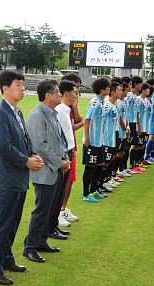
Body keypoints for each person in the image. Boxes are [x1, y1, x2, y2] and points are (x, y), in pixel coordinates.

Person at [0, 69, 42, 285]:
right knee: (1, 224)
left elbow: (24, 138)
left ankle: (6, 259)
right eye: (18, 84)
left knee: (12, 222)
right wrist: (25, 160)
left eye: (22, 84)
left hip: (18, 177)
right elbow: (3, 146)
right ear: (5, 88)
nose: (22, 88)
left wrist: (31, 154)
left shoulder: (16, 111)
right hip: (7, 179)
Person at [23, 79, 71, 263]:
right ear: (48, 95)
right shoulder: (37, 115)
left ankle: (41, 241)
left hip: (57, 168)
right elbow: (40, 146)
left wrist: (64, 159)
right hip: (46, 170)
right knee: (42, 210)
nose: (60, 94)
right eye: (57, 91)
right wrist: (59, 163)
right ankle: (30, 247)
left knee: (50, 209)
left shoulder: (51, 113)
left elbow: (58, 140)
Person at [58, 73, 84, 226]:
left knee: (69, 182)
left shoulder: (68, 107)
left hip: (71, 146)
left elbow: (77, 120)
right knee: (63, 183)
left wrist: (74, 106)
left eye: (79, 89)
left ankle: (63, 209)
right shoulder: (60, 109)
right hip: (64, 149)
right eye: (75, 90)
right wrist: (84, 122)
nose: (77, 93)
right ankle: (59, 211)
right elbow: (75, 125)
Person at [82, 77, 111, 202]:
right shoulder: (95, 102)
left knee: (99, 165)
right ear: (102, 89)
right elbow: (87, 120)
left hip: (100, 141)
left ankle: (94, 190)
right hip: (92, 140)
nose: (109, 89)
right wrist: (87, 138)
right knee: (89, 167)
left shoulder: (102, 102)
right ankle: (85, 194)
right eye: (108, 87)